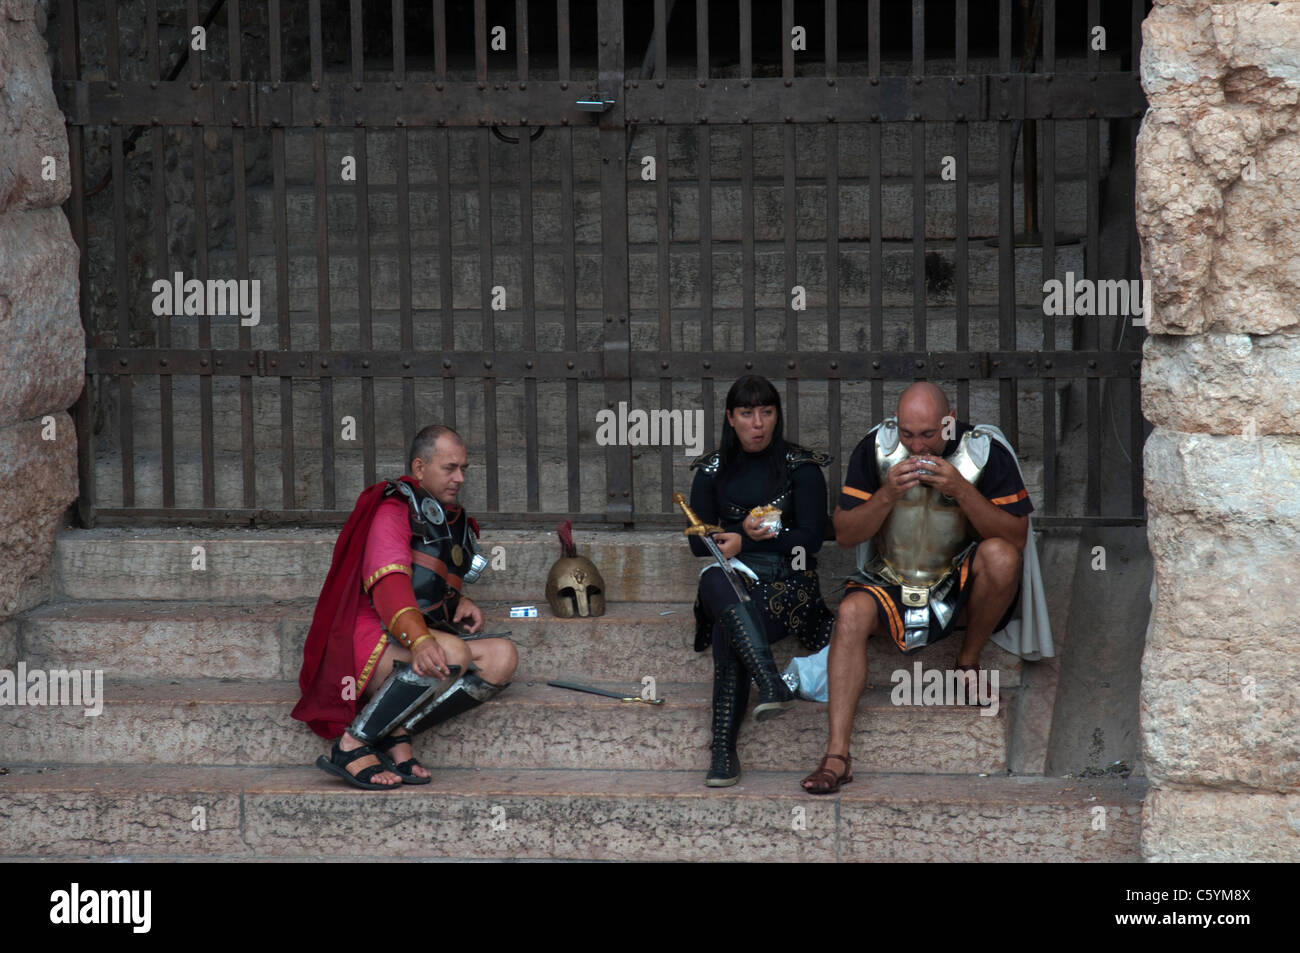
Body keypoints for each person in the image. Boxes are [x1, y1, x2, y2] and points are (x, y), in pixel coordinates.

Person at [801, 382, 1033, 794]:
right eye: (908, 435)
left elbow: (1016, 537)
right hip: (890, 576)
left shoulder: (983, 450)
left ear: (948, 420)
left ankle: (967, 660)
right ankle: (837, 755)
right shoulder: (877, 447)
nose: (917, 446)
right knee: (851, 614)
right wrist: (888, 493)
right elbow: (847, 534)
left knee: (1001, 557)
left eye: (928, 435)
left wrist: (962, 489)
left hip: (958, 578)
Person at [292, 424, 519, 789]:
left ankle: (395, 730)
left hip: (408, 640)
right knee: (454, 651)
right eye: (449, 468)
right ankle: (352, 744)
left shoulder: (446, 516)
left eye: (463, 468)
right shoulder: (393, 509)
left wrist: (459, 599)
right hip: (368, 640)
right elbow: (390, 586)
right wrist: (421, 641)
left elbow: (423, 578)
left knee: (502, 657)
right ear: (419, 468)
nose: (459, 478)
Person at [687, 375, 836, 787]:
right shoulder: (711, 470)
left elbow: (812, 537)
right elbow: (701, 546)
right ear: (730, 418)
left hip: (790, 586)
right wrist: (737, 534)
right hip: (736, 582)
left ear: (777, 416)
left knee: (728, 628)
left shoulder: (800, 468)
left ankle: (722, 751)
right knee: (715, 581)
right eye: (747, 413)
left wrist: (755, 539)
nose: (758, 423)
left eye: (766, 412)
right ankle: (769, 682)